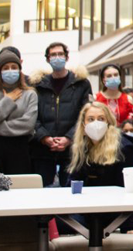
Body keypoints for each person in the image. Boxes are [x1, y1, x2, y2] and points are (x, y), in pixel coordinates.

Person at [32, 43, 90, 188]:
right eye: (53, 55)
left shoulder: (81, 83)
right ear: (47, 59)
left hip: (72, 149)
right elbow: (32, 115)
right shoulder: (38, 85)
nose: (57, 58)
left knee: (70, 191)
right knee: (42, 192)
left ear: (66, 57)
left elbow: (85, 115)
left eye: (60, 54)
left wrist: (69, 138)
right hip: (43, 149)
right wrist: (44, 137)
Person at [0, 49, 37, 176]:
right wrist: (7, 101)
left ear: (20, 69)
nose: (10, 70)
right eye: (6, 67)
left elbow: (28, 124)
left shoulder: (30, 94)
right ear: (0, 71)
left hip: (20, 149)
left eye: (14, 67)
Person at [65, 102, 126, 189]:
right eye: (91, 119)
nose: (96, 123)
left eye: (101, 119)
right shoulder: (80, 147)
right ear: (83, 124)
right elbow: (73, 182)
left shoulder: (122, 147)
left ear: (108, 122)